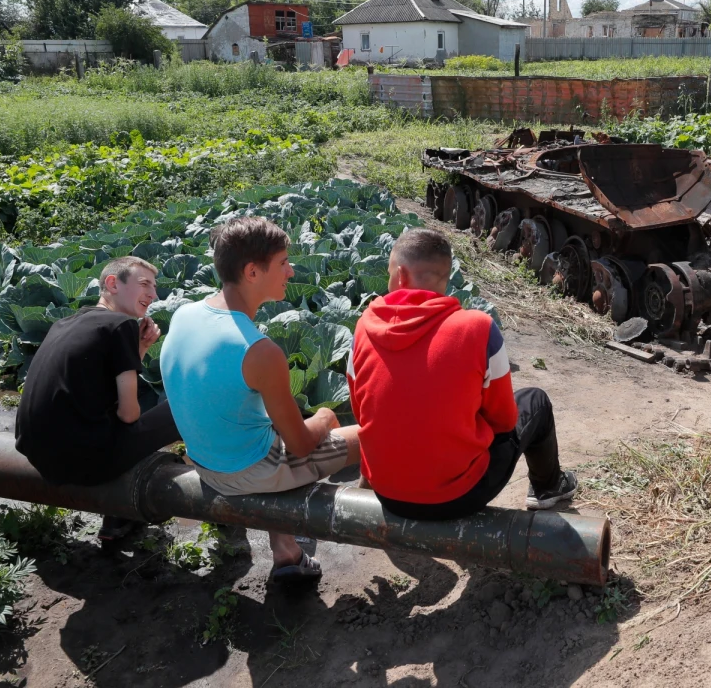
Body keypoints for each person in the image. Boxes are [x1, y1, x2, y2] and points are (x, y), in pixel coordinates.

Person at [160, 216, 361, 582]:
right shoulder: (258, 350)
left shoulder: (185, 313)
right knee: (367, 435)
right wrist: (325, 417)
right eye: (284, 262)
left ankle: (286, 550)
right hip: (243, 472)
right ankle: (368, 515)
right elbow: (299, 445)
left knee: (267, 426)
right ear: (252, 272)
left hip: (204, 460)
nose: (291, 269)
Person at [346, 228, 577, 521]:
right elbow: (504, 421)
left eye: (389, 274)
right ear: (446, 277)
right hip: (458, 497)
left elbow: (361, 409)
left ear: (401, 276)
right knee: (536, 401)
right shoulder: (478, 328)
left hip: (387, 493)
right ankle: (548, 488)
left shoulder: (364, 326)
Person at [14, 256, 180, 541]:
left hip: (36, 454)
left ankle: (116, 519)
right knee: (183, 410)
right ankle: (222, 495)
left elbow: (102, 391)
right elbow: (128, 414)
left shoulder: (66, 323)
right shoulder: (120, 325)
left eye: (154, 287)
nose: (153, 294)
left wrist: (138, 349)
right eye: (144, 285)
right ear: (112, 284)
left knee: (120, 428)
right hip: (84, 463)